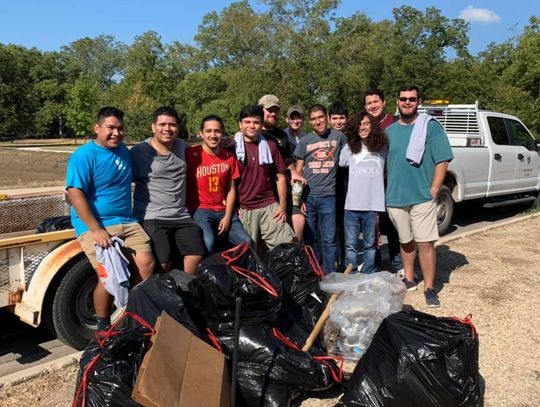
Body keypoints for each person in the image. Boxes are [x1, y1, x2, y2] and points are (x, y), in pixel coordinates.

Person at [66, 106, 155, 330]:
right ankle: (103, 326)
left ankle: (128, 318)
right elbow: (74, 192)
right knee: (109, 278)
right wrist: (96, 229)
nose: (116, 133)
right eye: (110, 128)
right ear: (97, 128)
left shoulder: (124, 151)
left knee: (147, 264)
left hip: (127, 220)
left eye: (120, 128)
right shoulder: (84, 156)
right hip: (97, 224)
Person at [386, 85, 454, 307]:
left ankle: (430, 288)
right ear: (397, 101)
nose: (407, 102)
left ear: (418, 102)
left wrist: (434, 188)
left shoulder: (430, 127)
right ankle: (409, 277)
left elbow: (442, 159)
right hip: (395, 197)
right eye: (403, 98)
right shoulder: (390, 131)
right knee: (406, 242)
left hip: (422, 196)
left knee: (425, 243)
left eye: (412, 99)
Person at [131, 106, 204, 274]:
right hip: (152, 215)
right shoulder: (139, 152)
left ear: (178, 128)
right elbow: (120, 178)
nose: (167, 129)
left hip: (180, 215)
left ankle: (184, 292)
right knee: (163, 263)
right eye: (162, 124)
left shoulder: (183, 148)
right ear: (153, 127)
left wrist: (227, 144)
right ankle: (158, 296)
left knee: (196, 255)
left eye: (172, 125)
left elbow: (208, 152)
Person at [186, 114, 253, 253]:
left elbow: (231, 189)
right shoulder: (191, 154)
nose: (213, 135)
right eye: (208, 131)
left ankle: (240, 272)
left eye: (217, 131)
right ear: (201, 134)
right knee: (208, 242)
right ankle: (206, 273)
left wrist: (228, 216)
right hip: (200, 209)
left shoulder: (228, 157)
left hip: (223, 210)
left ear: (222, 134)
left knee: (247, 242)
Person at [235, 105, 296, 250]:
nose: (251, 126)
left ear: (261, 125)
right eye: (247, 122)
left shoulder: (270, 145)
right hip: (244, 208)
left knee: (287, 244)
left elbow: (280, 176)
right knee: (248, 253)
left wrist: (282, 206)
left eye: (256, 122)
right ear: (240, 124)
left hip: (269, 205)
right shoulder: (232, 147)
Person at [295, 104, 346, 274]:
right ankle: (316, 271)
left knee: (329, 239)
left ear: (327, 118)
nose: (318, 122)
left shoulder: (339, 137)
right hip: (309, 196)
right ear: (310, 122)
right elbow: (298, 171)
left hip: (329, 197)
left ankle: (330, 275)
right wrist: (299, 198)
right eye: (314, 119)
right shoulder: (304, 141)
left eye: (320, 117)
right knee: (311, 239)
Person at [340, 111, 387, 273]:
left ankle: (368, 274)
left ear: (372, 126)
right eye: (359, 125)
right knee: (351, 246)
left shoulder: (382, 147)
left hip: (373, 205)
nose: (363, 127)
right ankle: (351, 276)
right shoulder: (349, 147)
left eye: (366, 123)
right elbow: (341, 164)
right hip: (352, 205)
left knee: (370, 245)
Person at [364, 88, 403, 274]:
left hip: (392, 183)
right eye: (369, 103)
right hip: (371, 184)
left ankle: (399, 265)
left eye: (375, 102)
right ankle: (375, 265)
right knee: (372, 227)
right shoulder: (364, 127)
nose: (373, 106)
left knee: (394, 225)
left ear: (384, 103)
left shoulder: (395, 123)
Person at [258, 94, 306, 241]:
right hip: (262, 193)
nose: (273, 113)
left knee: (299, 220)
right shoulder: (253, 132)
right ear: (260, 110)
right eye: (269, 110)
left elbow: (287, 160)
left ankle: (291, 259)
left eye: (276, 110)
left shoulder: (282, 135)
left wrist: (294, 173)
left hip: (285, 189)